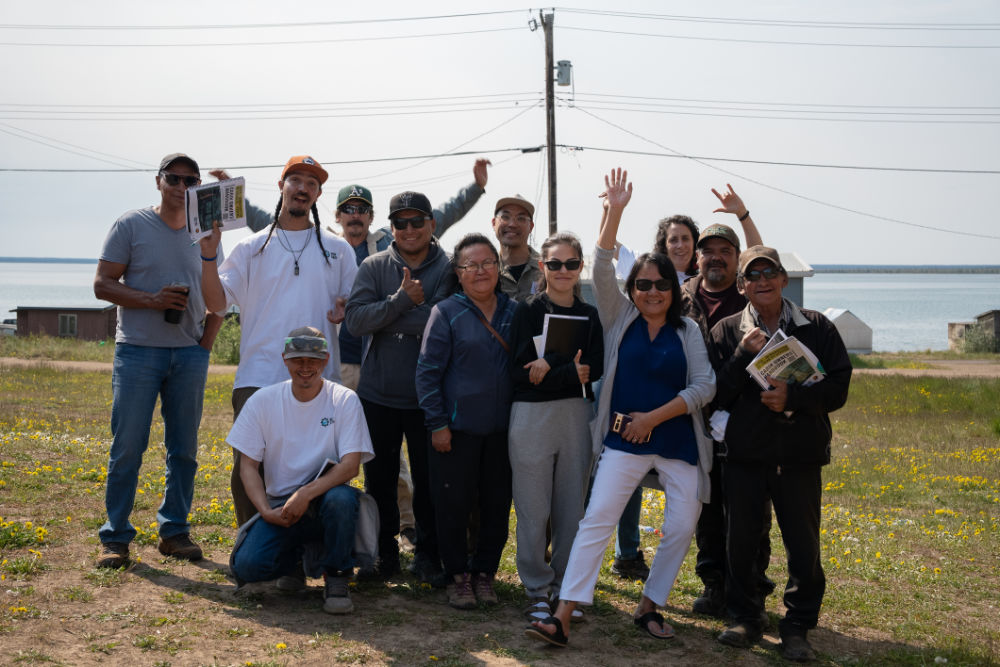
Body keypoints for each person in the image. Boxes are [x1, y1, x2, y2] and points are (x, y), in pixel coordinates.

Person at [526, 168, 715, 647]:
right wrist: (614, 211)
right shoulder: (618, 318)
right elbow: (603, 264)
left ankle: (649, 605)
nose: (652, 292)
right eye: (644, 284)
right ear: (633, 290)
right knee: (597, 520)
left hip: (676, 440)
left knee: (680, 526)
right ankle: (563, 615)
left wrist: (653, 419)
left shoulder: (688, 331)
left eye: (661, 285)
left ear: (673, 289)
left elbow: (704, 386)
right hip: (621, 440)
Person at [199, 155, 357, 529]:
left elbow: (356, 304)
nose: (303, 188)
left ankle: (306, 551)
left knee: (317, 469)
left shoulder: (338, 250)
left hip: (320, 380)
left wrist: (346, 308)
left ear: (318, 195)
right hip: (258, 377)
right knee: (249, 469)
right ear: (281, 186)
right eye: (295, 180)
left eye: (312, 183)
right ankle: (253, 545)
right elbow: (216, 302)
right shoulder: (251, 247)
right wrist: (207, 254)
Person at [709, 246, 851, 661]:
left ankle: (797, 626)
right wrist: (742, 356)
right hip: (744, 456)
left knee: (803, 547)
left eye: (769, 272)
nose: (762, 281)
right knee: (741, 544)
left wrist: (794, 399)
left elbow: (838, 388)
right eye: (752, 276)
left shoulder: (817, 327)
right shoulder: (726, 331)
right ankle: (746, 617)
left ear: (784, 279)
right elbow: (715, 393)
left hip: (799, 455)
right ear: (741, 286)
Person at [93, 153, 223, 568]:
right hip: (137, 351)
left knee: (184, 450)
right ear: (158, 181)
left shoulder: (205, 233)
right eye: (174, 178)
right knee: (128, 446)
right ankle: (115, 537)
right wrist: (152, 300)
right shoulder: (131, 224)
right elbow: (102, 285)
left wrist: (205, 345)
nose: (182, 186)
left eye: (190, 180)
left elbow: (219, 294)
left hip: (189, 354)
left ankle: (174, 532)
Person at [344, 190, 455, 583]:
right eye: (400, 222)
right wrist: (401, 301)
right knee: (379, 481)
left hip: (430, 397)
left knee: (430, 482)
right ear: (390, 227)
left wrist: (388, 316)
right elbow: (355, 322)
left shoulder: (449, 269)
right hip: (378, 394)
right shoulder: (373, 266)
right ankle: (383, 555)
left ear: (432, 224)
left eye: (417, 221)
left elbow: (444, 323)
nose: (409, 229)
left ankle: (428, 555)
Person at [228, 327, 374, 615]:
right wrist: (265, 511)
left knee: (342, 500)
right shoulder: (262, 401)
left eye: (313, 360)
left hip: (327, 500)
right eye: (298, 360)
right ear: (285, 359)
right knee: (248, 567)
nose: (306, 367)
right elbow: (248, 466)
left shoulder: (344, 399)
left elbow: (350, 466)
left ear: (326, 359)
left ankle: (337, 575)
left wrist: (305, 494)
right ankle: (295, 562)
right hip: (282, 508)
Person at [415, 233, 517, 609]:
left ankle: (485, 574)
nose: (480, 271)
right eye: (470, 265)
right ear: (457, 273)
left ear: (498, 268)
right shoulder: (445, 312)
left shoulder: (515, 312)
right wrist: (438, 424)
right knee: (452, 506)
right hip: (455, 432)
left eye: (488, 263)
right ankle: (458, 576)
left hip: (504, 431)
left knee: (496, 506)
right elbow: (427, 374)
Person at [508, 230, 604, 621]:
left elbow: (594, 366)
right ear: (542, 266)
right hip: (531, 416)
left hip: (576, 416)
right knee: (533, 509)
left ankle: (566, 588)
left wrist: (550, 364)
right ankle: (536, 589)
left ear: (580, 267)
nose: (563, 270)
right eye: (554, 263)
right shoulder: (527, 311)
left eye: (571, 263)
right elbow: (519, 372)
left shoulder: (590, 315)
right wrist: (565, 369)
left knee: (570, 509)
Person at [682, 215, 774, 620]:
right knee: (708, 506)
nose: (716, 258)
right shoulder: (680, 296)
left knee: (751, 511)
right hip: (695, 418)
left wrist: (743, 215)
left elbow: (763, 257)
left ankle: (753, 586)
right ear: (697, 258)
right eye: (708, 252)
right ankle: (714, 584)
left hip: (747, 420)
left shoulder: (750, 297)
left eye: (725, 251)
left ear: (738, 259)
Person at [653, 184, 762, 285]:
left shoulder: (711, 275)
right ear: (664, 245)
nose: (680, 245)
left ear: (695, 246)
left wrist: (742, 213)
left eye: (685, 239)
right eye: (673, 240)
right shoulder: (652, 279)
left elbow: (756, 256)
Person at [492, 194, 542, 300]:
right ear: (493, 223)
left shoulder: (548, 269)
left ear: (531, 226)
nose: (512, 224)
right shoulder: (486, 270)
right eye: (505, 217)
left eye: (521, 218)